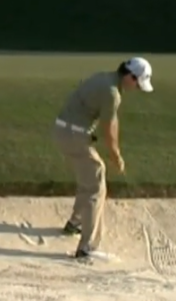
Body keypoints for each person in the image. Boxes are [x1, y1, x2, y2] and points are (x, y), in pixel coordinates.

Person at [53, 57, 154, 261]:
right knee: (96, 182)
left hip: (63, 131)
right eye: (138, 83)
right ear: (130, 76)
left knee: (88, 177)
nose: (137, 89)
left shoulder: (105, 78)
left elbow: (112, 121)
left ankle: (76, 223)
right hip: (73, 135)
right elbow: (108, 130)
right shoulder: (112, 93)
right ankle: (87, 248)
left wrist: (115, 153)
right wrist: (116, 156)